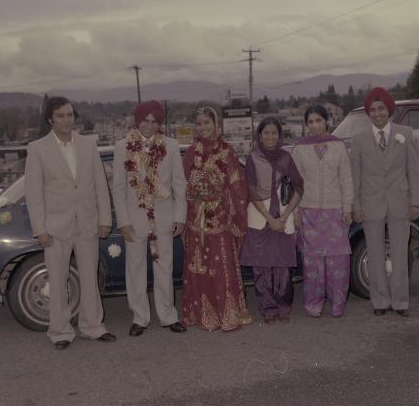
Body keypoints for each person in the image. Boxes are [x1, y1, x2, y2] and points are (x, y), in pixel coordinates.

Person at [24, 96, 116, 348]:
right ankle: (61, 331)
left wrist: (105, 218)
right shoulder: (37, 149)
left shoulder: (88, 145)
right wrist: (40, 229)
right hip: (55, 227)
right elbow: (34, 194)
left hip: (86, 223)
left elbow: (100, 184)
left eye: (70, 115)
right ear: (50, 119)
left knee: (89, 278)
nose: (67, 120)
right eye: (61, 116)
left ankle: (93, 327)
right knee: (58, 280)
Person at [112, 100, 188, 336]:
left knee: (164, 267)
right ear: (138, 121)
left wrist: (180, 217)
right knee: (135, 268)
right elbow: (118, 188)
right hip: (134, 220)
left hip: (164, 218)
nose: (149, 125)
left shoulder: (171, 145)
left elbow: (179, 185)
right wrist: (123, 221)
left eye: (155, 121)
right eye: (145, 120)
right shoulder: (122, 146)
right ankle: (140, 317)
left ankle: (168, 315)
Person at [350, 87, 419, 317]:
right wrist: (356, 206)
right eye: (372, 109)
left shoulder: (406, 134)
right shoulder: (359, 139)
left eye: (381, 108)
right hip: (371, 204)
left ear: (389, 109)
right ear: (368, 113)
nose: (377, 113)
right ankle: (379, 301)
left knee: (400, 253)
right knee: (375, 252)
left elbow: (414, 171)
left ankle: (400, 302)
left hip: (400, 202)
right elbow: (356, 176)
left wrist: (415, 203)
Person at [181, 105, 252, 331]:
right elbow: (183, 183)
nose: (203, 127)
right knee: (199, 266)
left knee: (220, 267)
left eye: (207, 122)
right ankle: (201, 314)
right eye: (199, 123)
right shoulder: (191, 153)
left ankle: (227, 313)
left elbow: (237, 187)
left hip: (221, 220)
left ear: (216, 124)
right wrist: (195, 198)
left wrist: (226, 208)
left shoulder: (227, 151)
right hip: (196, 221)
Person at [291, 104, 353, 317]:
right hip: (309, 213)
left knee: (338, 261)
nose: (315, 125)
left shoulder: (338, 147)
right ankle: (313, 304)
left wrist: (348, 208)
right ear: (306, 125)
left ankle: (337, 304)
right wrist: (295, 211)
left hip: (335, 212)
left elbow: (346, 179)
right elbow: (295, 184)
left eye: (319, 120)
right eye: (310, 121)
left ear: (327, 121)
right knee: (313, 264)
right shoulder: (299, 149)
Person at [241, 116, 303, 323]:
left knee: (283, 267)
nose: (270, 136)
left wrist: (285, 216)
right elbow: (251, 191)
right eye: (266, 132)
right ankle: (268, 308)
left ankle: (283, 306)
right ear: (259, 135)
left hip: (283, 219)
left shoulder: (286, 157)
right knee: (262, 267)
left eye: (274, 133)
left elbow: (298, 187)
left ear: (279, 135)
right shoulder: (253, 158)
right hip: (260, 218)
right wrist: (270, 219)